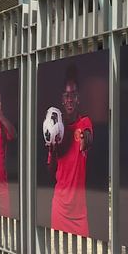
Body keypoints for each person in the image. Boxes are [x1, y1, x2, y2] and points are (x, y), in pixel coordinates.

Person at [47, 72, 93, 237]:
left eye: (73, 94)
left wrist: (85, 140)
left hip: (79, 212)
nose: (70, 99)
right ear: (62, 99)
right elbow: (52, 172)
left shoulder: (84, 123)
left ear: (78, 98)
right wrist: (53, 149)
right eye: (66, 95)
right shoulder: (56, 131)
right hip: (59, 207)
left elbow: (87, 137)